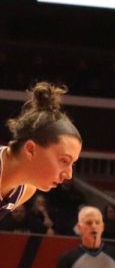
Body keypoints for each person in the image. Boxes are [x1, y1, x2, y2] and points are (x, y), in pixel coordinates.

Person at [1, 82, 82, 222]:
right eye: (64, 160)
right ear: (30, 149)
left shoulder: (26, 190)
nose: (69, 175)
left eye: (72, 164)